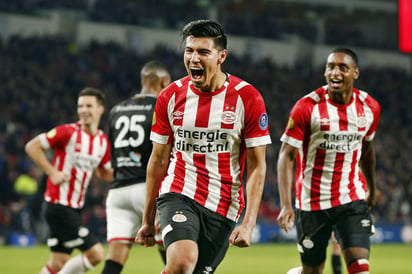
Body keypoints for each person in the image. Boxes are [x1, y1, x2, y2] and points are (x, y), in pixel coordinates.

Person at [135, 19, 272, 274]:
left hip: (224, 203)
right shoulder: (170, 96)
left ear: (221, 56)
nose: (194, 58)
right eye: (189, 51)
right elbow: (158, 161)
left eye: (203, 52)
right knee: (181, 262)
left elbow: (257, 166)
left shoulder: (248, 97)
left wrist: (249, 223)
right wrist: (147, 218)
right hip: (179, 190)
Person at [277, 48, 381, 274]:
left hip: (350, 198)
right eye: (330, 67)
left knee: (360, 269)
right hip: (312, 203)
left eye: (342, 68)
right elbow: (286, 156)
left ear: (355, 73)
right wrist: (286, 204)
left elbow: (367, 149)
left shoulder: (369, 107)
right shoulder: (306, 107)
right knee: (312, 271)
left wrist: (371, 188)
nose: (335, 72)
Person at [25, 87, 113, 274]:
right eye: (80, 106)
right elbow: (32, 146)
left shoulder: (102, 141)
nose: (84, 110)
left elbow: (104, 173)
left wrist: (131, 174)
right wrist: (52, 172)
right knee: (95, 254)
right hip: (58, 206)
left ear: (100, 109)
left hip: (74, 207)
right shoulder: (67, 132)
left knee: (57, 263)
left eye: (89, 106)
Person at [101, 60, 171, 274]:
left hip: (118, 191)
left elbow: (113, 156)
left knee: (115, 258)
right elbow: (163, 154)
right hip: (149, 190)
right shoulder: (160, 107)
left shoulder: (116, 110)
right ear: (162, 82)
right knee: (172, 253)